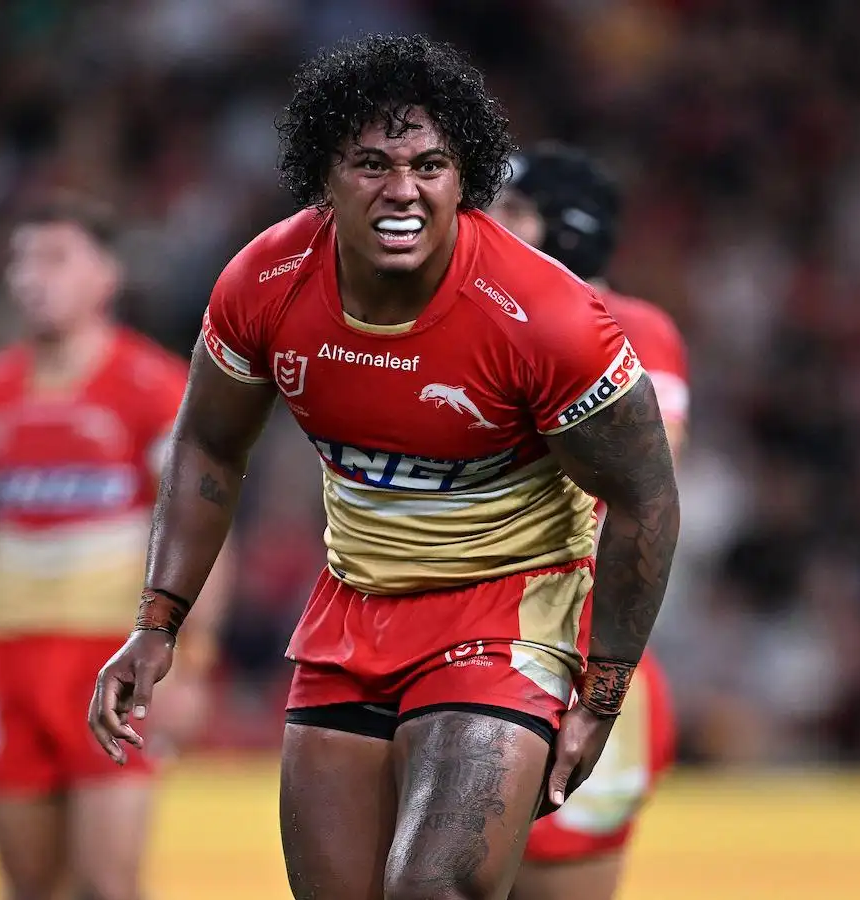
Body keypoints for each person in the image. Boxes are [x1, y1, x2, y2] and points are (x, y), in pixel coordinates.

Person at [88, 35, 680, 900]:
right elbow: (209, 443)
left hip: (503, 617)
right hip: (350, 618)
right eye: (371, 163)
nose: (402, 189)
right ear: (324, 175)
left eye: (429, 165)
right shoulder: (264, 282)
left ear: (463, 178)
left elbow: (647, 497)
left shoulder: (546, 316)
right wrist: (157, 620)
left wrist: (603, 692)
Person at [0, 193, 232, 900]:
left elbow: (198, 531)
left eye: (55, 258)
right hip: (4, 658)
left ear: (105, 276)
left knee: (108, 884)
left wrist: (193, 663)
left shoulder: (153, 389)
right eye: (22, 259)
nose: (33, 276)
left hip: (110, 658)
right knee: (30, 886)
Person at [489, 144, 688, 900]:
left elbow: (647, 478)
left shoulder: (634, 329)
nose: (488, 225)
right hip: (474, 646)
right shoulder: (474, 317)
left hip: (575, 661)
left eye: (513, 210)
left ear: (566, 229)